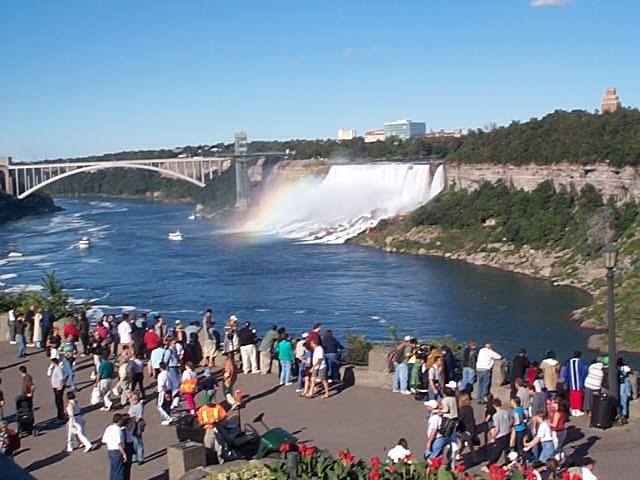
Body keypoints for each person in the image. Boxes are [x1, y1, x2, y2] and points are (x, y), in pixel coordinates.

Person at [197, 395, 227, 462]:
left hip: (218, 428)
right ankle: (211, 463)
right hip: (208, 430)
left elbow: (224, 417)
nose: (210, 404)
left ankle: (222, 462)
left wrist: (218, 421)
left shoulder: (218, 407)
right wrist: (207, 422)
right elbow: (200, 422)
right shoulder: (202, 409)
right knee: (208, 447)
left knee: (219, 448)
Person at [485, 398, 511, 468]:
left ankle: (489, 465)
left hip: (501, 435)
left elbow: (497, 428)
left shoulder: (496, 416)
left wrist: (493, 437)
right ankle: (508, 464)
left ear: (494, 405)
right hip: (508, 433)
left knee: (497, 452)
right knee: (507, 450)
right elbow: (510, 422)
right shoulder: (506, 412)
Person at [102, 413, 127, 480]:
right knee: (119, 471)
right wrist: (124, 454)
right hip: (117, 452)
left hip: (110, 451)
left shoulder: (109, 428)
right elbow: (119, 444)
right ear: (119, 421)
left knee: (113, 470)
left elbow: (105, 441)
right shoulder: (118, 430)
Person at [128, 393, 145, 465]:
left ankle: (140, 458)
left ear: (135, 400)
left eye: (131, 399)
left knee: (138, 442)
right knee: (133, 442)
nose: (130, 401)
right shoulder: (132, 405)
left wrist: (133, 421)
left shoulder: (139, 406)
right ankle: (133, 457)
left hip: (136, 425)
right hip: (131, 424)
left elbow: (139, 417)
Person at [510, 397, 527, 461]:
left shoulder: (515, 410)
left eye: (511, 402)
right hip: (523, 428)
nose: (510, 403)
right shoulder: (521, 409)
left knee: (519, 445)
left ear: (514, 403)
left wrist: (512, 425)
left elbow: (518, 421)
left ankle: (522, 458)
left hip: (518, 429)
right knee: (521, 444)